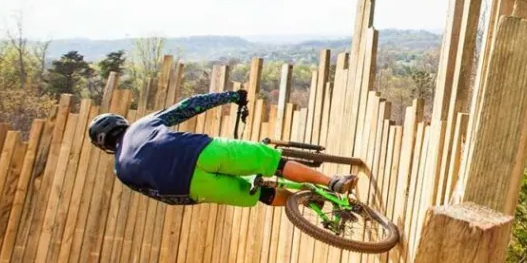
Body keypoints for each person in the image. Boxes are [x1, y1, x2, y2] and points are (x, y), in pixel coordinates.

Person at [86, 89, 356, 207]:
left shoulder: (120, 169)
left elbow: (158, 196)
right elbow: (189, 106)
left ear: (106, 147)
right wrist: (232, 97)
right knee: (273, 161)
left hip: (187, 187)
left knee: (260, 194)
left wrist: (192, 198)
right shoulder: (142, 125)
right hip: (198, 151)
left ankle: (310, 203)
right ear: (120, 123)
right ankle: (332, 182)